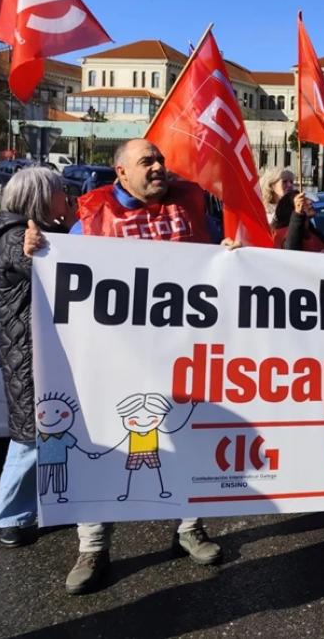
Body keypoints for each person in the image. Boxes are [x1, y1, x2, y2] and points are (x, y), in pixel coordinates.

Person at [44, 139, 234, 594]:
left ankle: (189, 527)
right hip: (113, 359)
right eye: (147, 161)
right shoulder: (90, 221)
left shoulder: (189, 211)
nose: (159, 167)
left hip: (180, 355)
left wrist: (230, 253)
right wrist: (36, 249)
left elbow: (217, 263)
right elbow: (58, 274)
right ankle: (93, 546)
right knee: (106, 444)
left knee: (188, 440)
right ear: (121, 172)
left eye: (161, 159)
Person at [0, 167, 72, 547]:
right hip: (27, 353)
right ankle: (10, 517)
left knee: (41, 432)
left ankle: (33, 508)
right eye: (59, 192)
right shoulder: (17, 238)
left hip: (32, 349)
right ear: (40, 197)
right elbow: (57, 273)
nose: (65, 198)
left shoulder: (30, 233)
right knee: (27, 438)